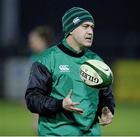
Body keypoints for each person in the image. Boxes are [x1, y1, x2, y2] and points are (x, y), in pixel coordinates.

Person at [25, 7, 115, 136]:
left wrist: (107, 109)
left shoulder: (96, 61)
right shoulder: (47, 60)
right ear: (71, 29)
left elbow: (106, 95)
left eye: (92, 27)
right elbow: (32, 99)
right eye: (85, 26)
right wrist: (60, 104)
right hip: (56, 134)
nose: (90, 31)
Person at [28, 26, 55, 134]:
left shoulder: (52, 56)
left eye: (33, 40)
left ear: (42, 40)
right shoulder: (34, 57)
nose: (31, 44)